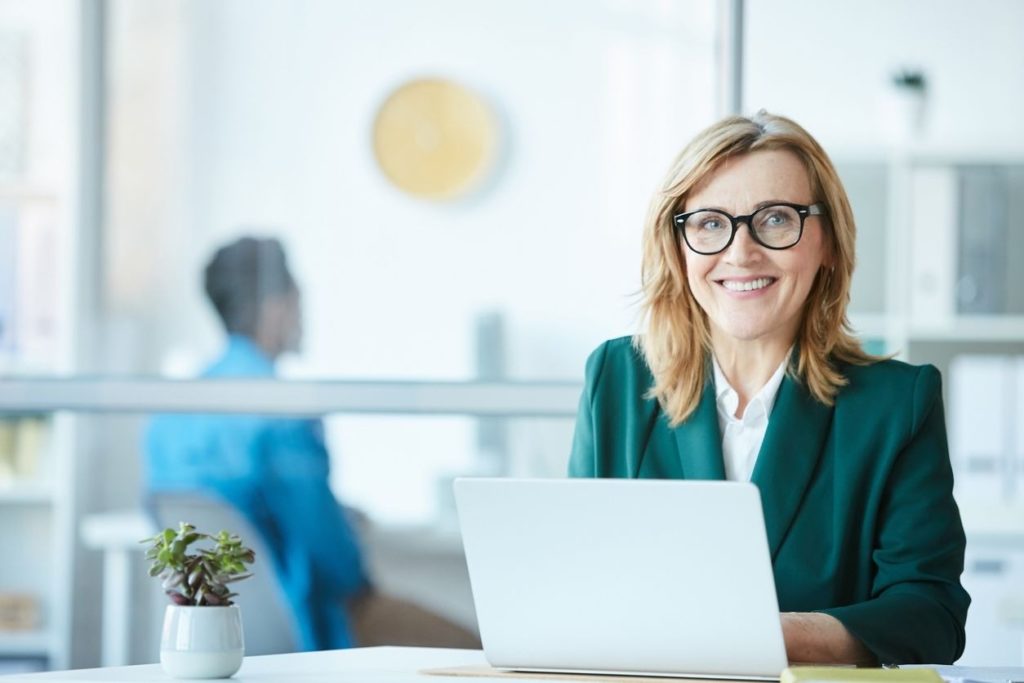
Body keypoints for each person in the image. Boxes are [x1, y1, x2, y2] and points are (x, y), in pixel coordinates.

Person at [568, 112, 969, 666]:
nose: (740, 253)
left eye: (776, 219)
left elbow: (932, 616)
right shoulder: (616, 377)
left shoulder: (897, 404)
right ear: (677, 245)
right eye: (710, 223)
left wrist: (760, 635)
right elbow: (579, 583)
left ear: (827, 242)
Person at [145, 236, 479, 651]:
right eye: (297, 297)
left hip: (216, 640)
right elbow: (339, 568)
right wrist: (342, 527)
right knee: (482, 654)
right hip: (313, 634)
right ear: (276, 306)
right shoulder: (284, 412)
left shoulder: (167, 416)